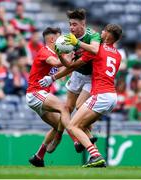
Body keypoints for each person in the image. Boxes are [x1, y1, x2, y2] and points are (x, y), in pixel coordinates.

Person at [40, 24, 122, 167]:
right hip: (112, 97)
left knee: (72, 126)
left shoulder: (97, 50)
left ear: (108, 35)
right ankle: (91, 143)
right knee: (80, 118)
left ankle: (95, 156)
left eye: (104, 31)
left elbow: (72, 66)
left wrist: (53, 75)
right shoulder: (118, 54)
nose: (101, 32)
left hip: (101, 95)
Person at [34, 8, 101, 163]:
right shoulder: (67, 39)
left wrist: (77, 43)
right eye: (70, 24)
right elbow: (70, 65)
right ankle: (57, 139)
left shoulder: (93, 35)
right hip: (77, 74)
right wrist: (61, 56)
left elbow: (95, 49)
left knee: (79, 107)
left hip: (91, 77)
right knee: (66, 110)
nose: (71, 28)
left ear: (83, 24)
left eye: (75, 24)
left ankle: (89, 140)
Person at [26, 27, 70, 167]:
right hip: (36, 93)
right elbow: (57, 63)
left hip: (40, 95)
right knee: (64, 108)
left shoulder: (52, 52)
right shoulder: (45, 52)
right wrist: (70, 54)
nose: (62, 40)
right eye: (60, 37)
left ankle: (39, 156)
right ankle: (66, 140)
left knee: (59, 123)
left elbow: (64, 66)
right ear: (52, 39)